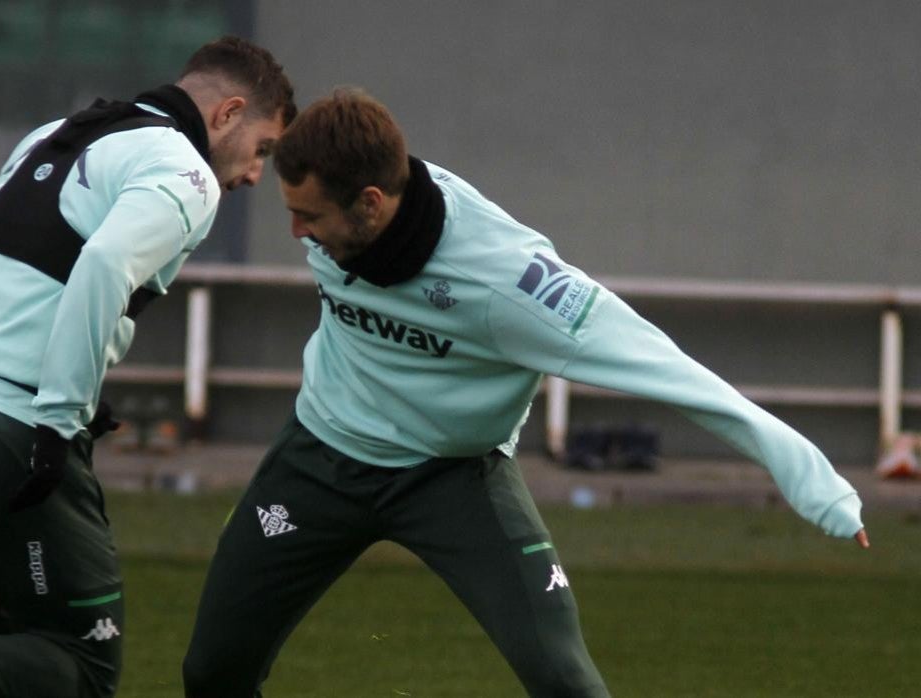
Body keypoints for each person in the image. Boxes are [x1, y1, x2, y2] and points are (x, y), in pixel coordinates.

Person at [181, 88, 869, 697]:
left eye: (309, 217)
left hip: (453, 480)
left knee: (563, 680)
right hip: (318, 460)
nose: (297, 234)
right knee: (212, 673)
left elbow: (669, 370)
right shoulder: (338, 217)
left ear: (371, 203)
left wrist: (815, 483)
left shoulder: (510, 283)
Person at [0, 36, 295, 698]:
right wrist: (60, 414)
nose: (254, 175)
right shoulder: (187, 172)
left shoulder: (55, 133)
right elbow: (104, 265)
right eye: (263, 149)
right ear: (228, 113)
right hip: (6, 427)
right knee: (82, 665)